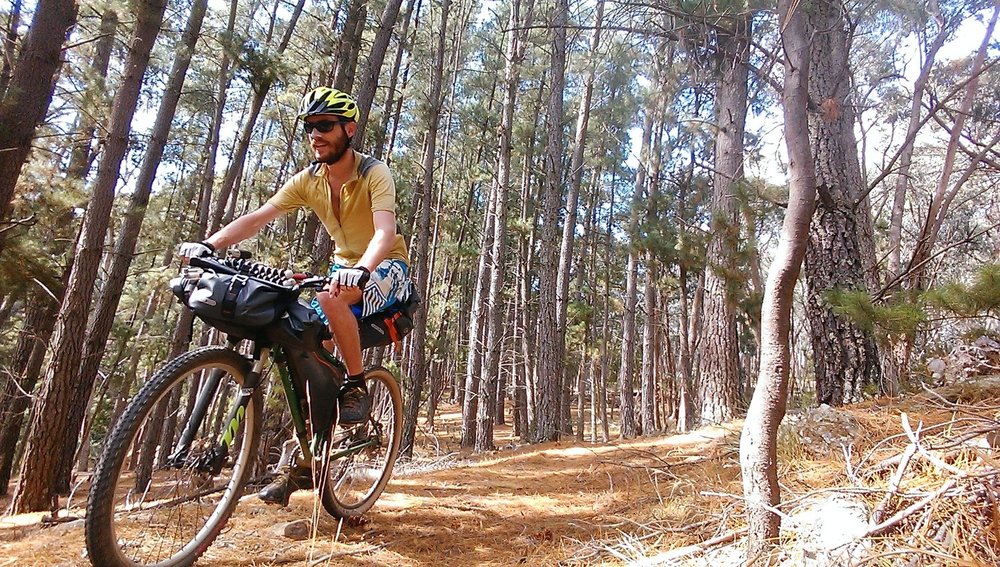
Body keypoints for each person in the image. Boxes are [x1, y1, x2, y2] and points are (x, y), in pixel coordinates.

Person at [178, 87, 410, 505]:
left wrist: (361, 270)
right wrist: (210, 245)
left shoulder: (375, 173)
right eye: (309, 127)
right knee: (303, 350)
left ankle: (357, 385)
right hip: (343, 270)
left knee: (332, 298)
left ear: (348, 129)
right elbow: (260, 218)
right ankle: (307, 463)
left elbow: (384, 232)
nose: (315, 135)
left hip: (386, 266)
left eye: (324, 126)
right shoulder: (309, 180)